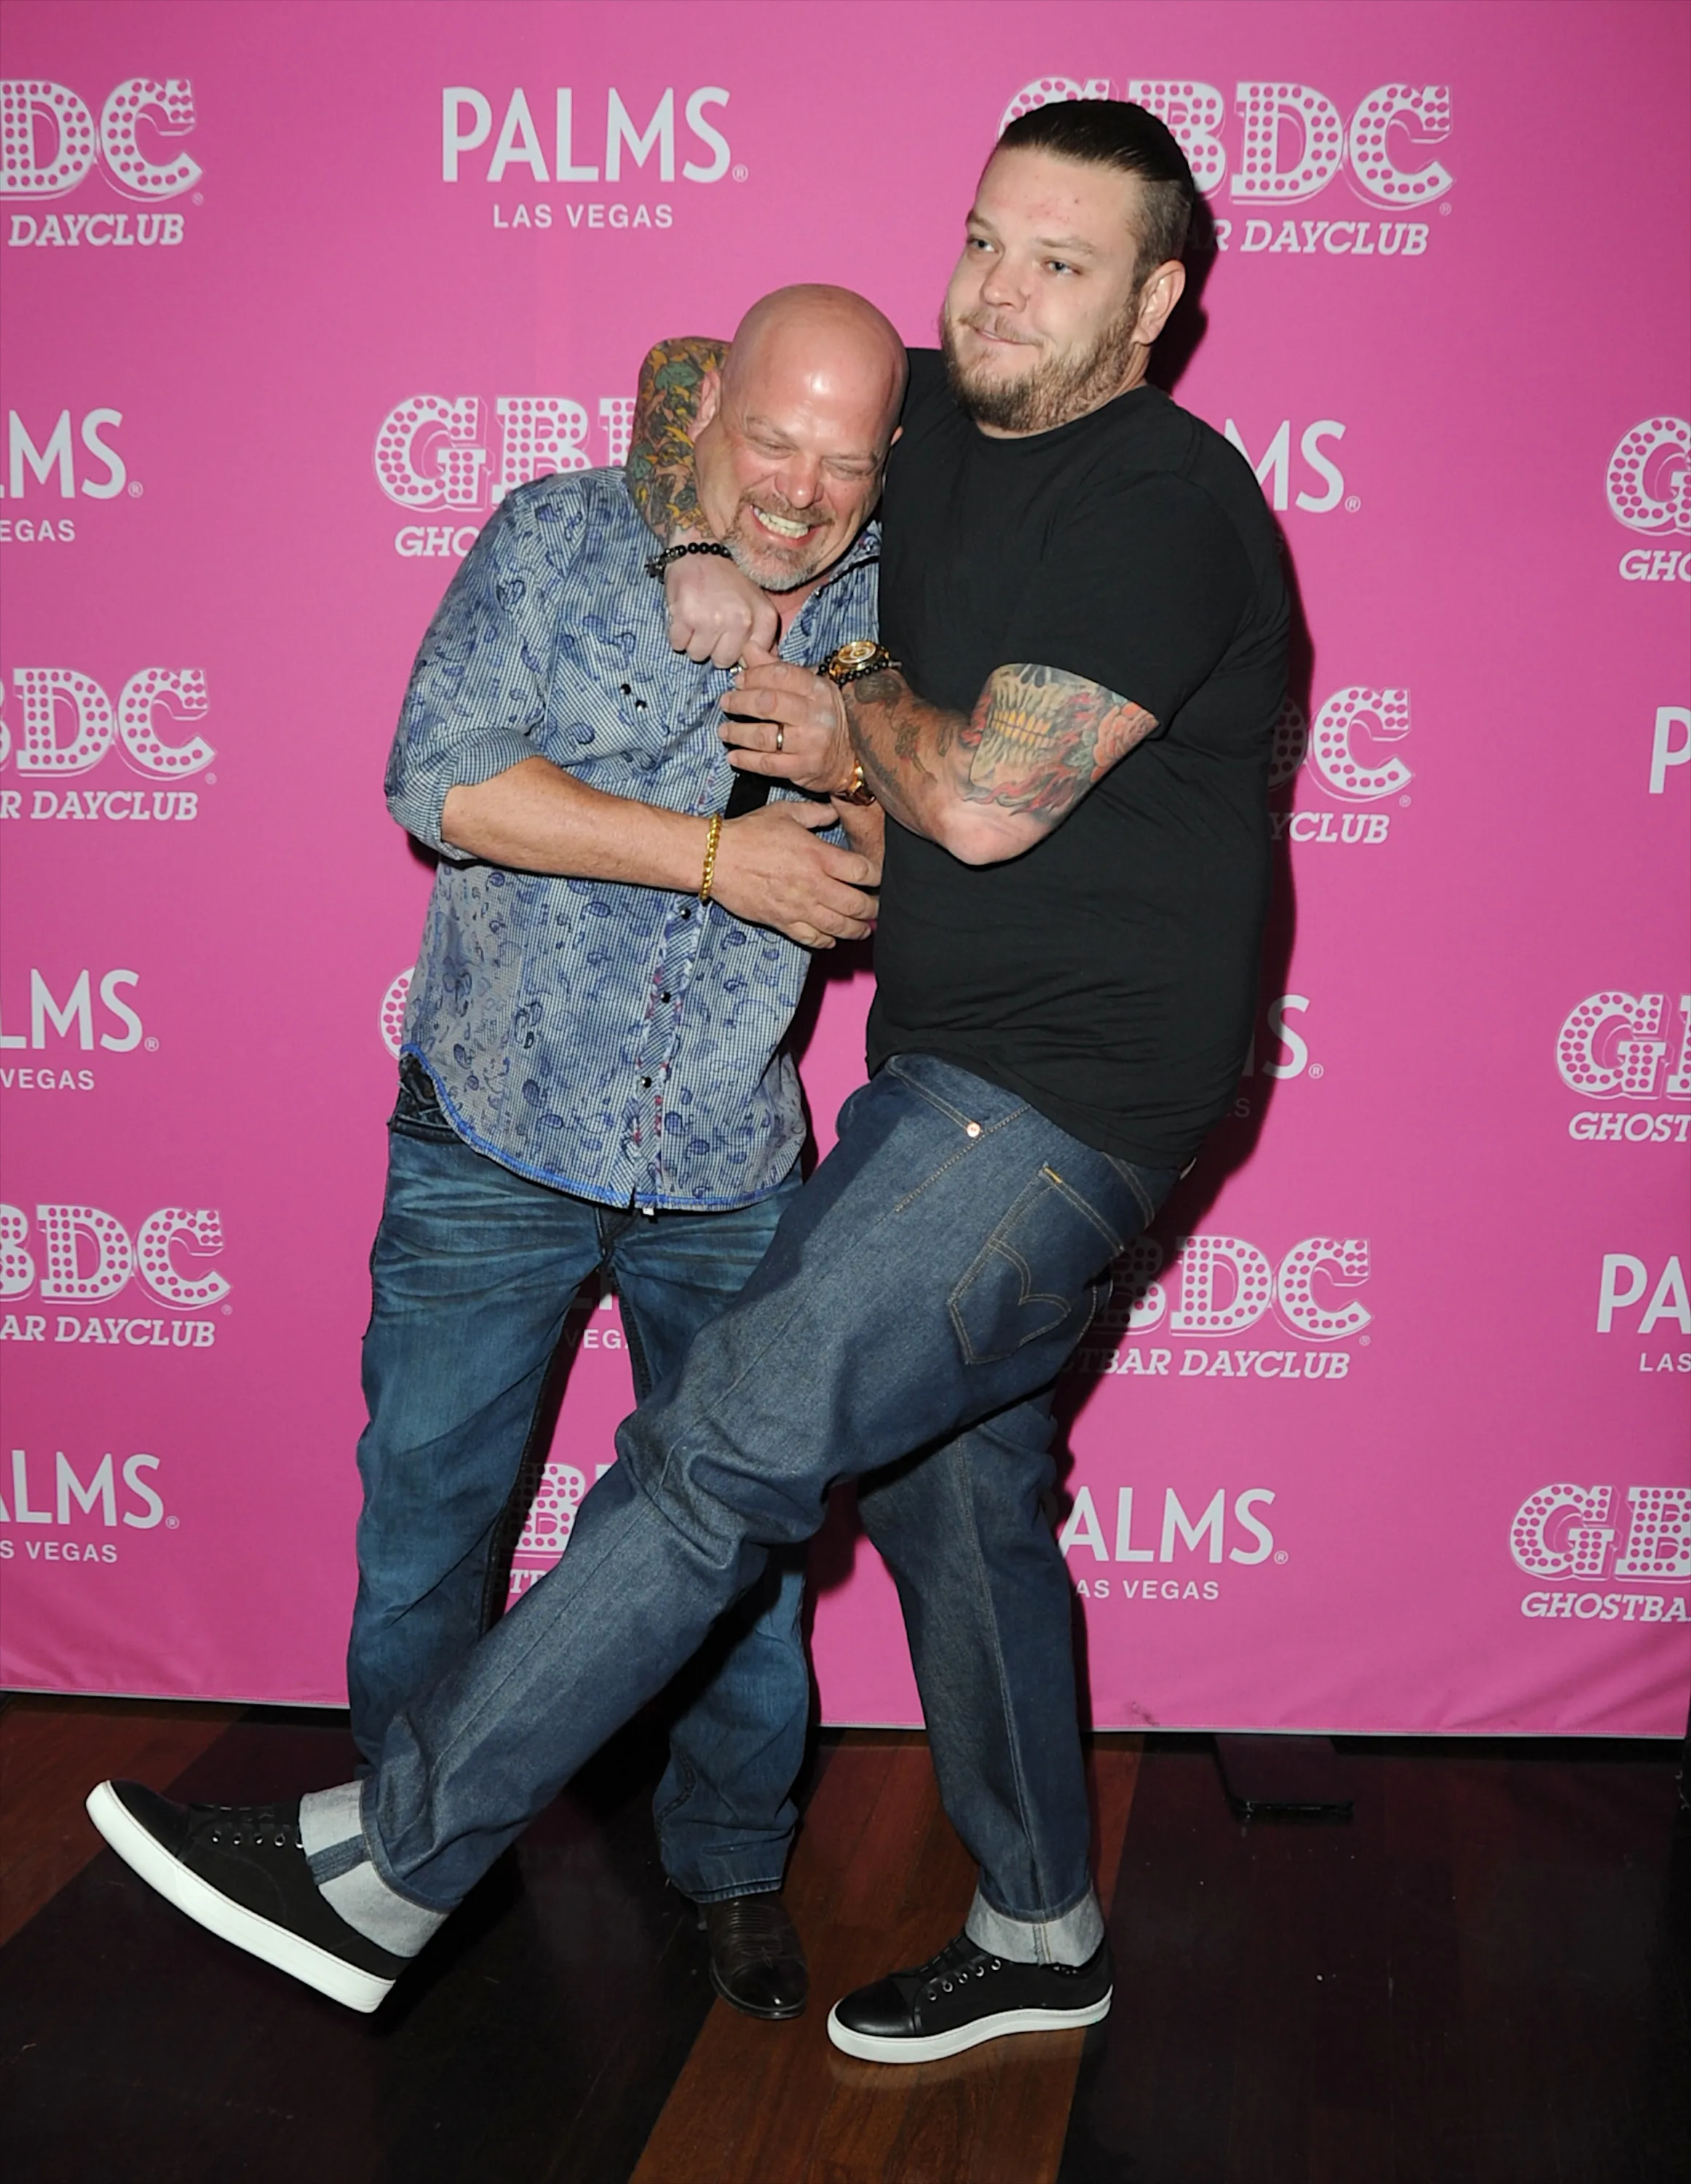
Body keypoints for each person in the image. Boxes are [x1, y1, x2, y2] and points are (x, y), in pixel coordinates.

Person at [88, 101, 1288, 2066]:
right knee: (955, 1504)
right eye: (985, 239)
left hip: (1042, 1105)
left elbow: (981, 800)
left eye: (1060, 264)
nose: (997, 288)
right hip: (890, 1083)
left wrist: (840, 720)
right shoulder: (926, 422)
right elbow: (688, 380)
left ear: (1154, 303)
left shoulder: (1155, 495)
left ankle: (390, 1863)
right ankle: (1043, 1915)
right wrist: (680, 532)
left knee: (721, 1453)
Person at [325, 282, 899, 2019]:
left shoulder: (898, 609)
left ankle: (730, 1867)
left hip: (731, 1160)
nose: (799, 492)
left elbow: (890, 872)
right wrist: (717, 860)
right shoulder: (563, 534)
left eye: (845, 460)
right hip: (493, 1134)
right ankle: (400, 1866)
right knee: (430, 1527)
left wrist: (859, 803)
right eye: (770, 441)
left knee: (733, 1559)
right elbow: (446, 784)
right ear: (702, 410)